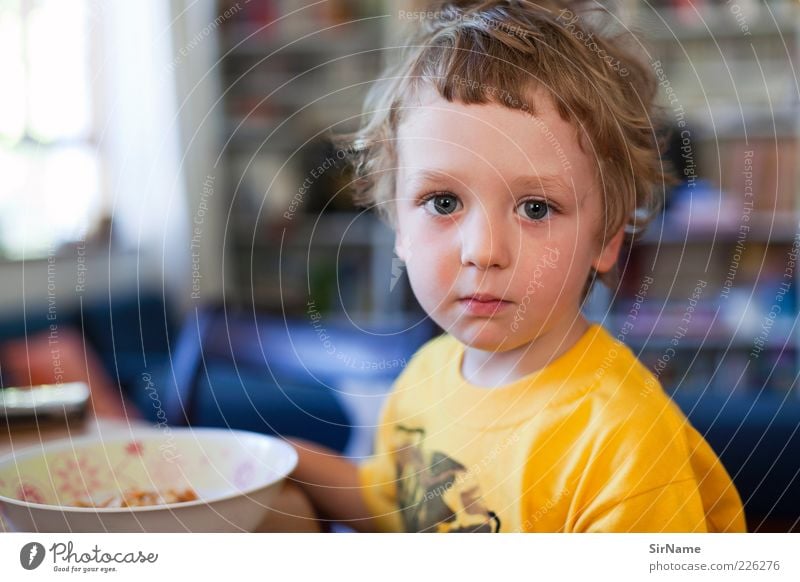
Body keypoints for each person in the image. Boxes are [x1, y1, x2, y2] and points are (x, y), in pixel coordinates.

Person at [281, 0, 746, 532]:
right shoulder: (427, 378)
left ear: (607, 237)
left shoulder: (622, 440)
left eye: (535, 208)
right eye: (442, 202)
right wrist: (280, 463)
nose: (483, 250)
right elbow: (399, 510)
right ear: (398, 227)